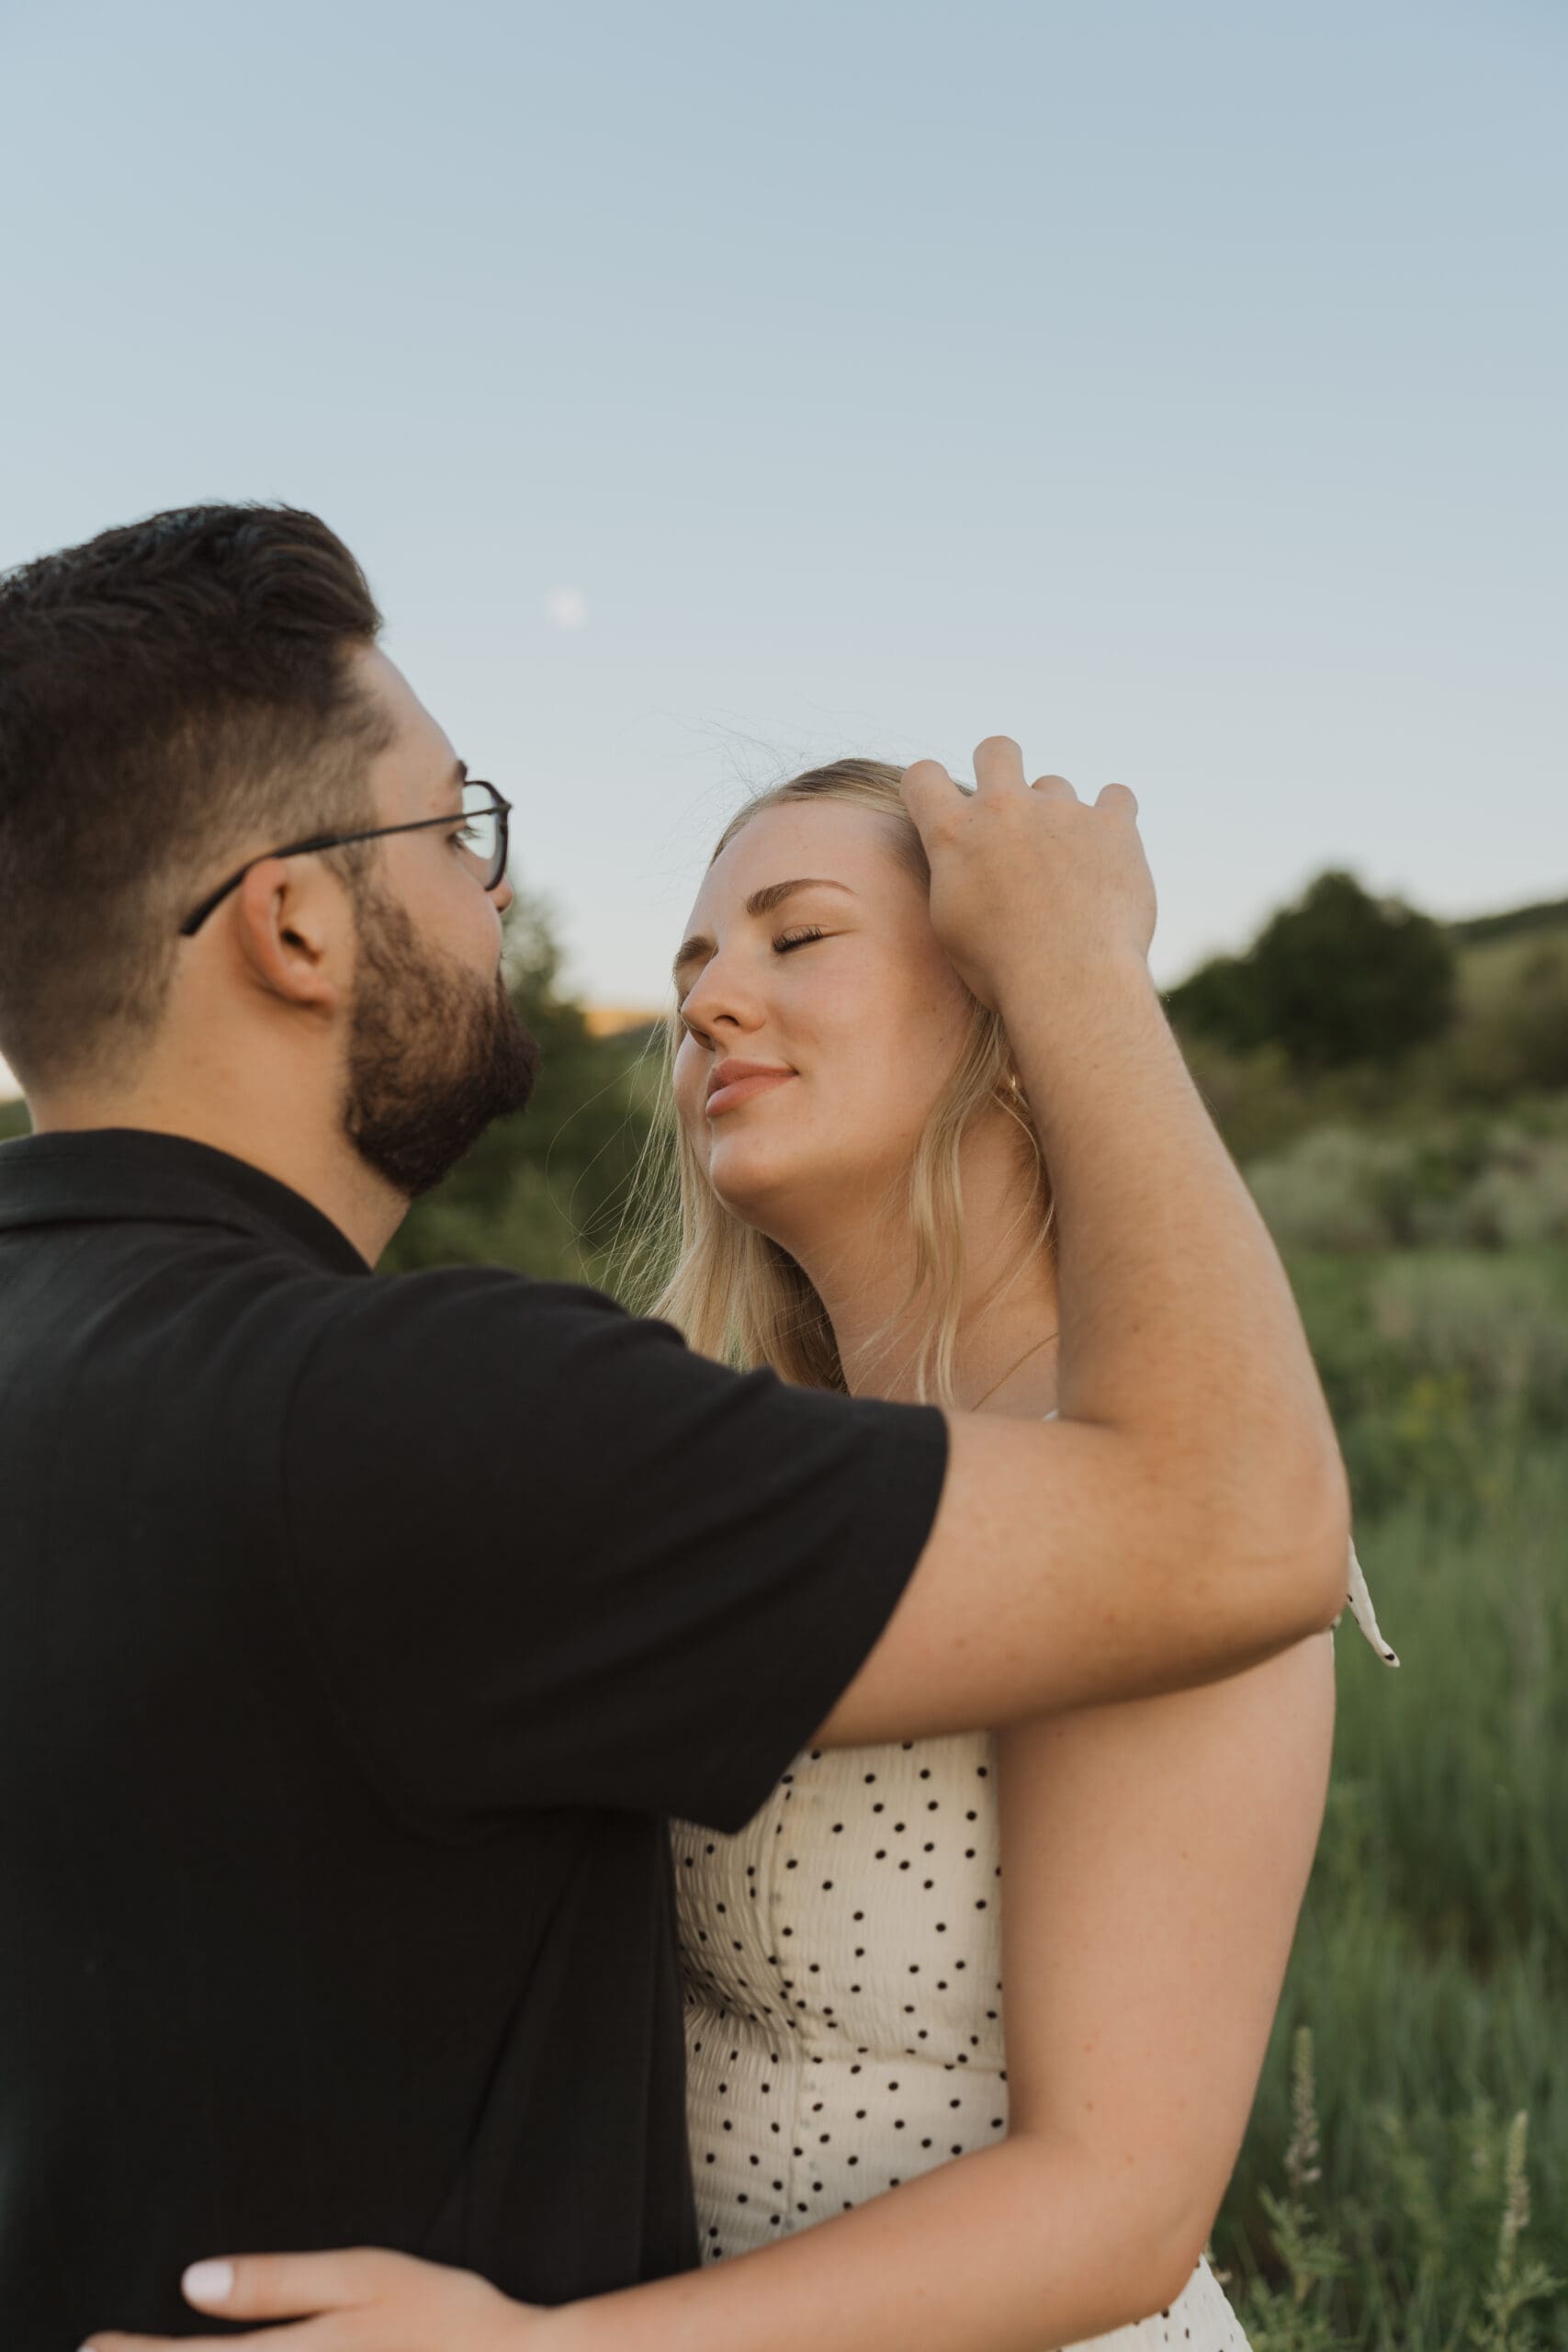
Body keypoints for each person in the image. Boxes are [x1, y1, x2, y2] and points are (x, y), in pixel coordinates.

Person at [0, 503, 1348, 2349]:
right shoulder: (635, 1440)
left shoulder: (1089, 1484)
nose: (706, 993)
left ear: (997, 1008)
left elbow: (1119, 2198)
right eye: (702, 945)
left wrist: (1086, 969)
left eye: (797, 937)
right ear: (293, 922)